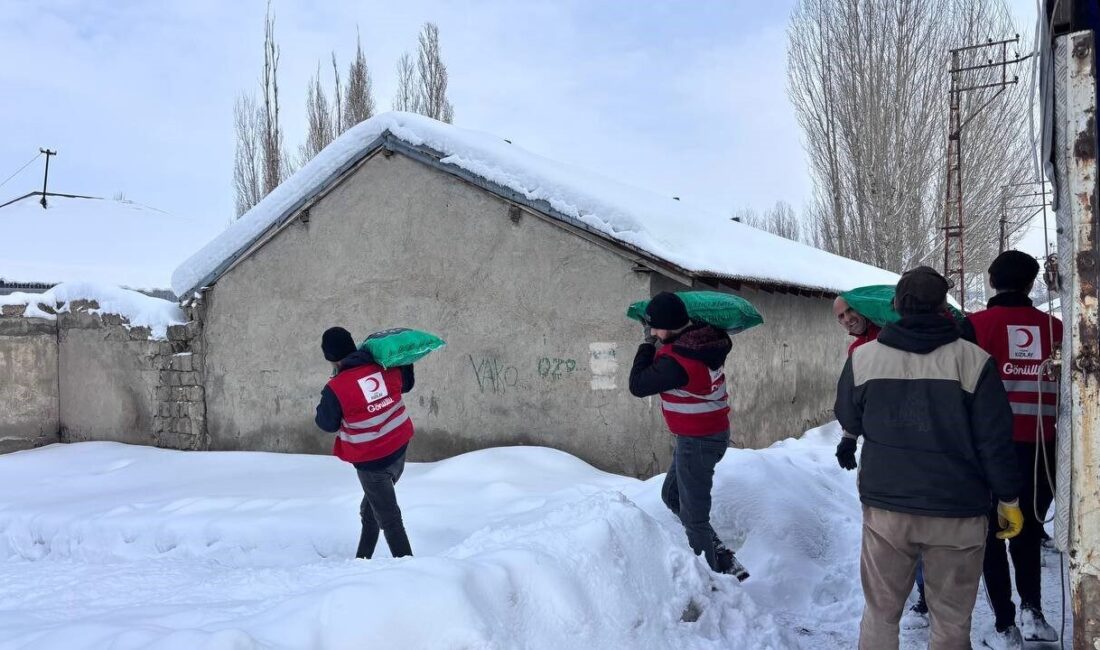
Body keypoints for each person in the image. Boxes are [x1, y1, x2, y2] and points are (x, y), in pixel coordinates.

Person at [834, 266, 1023, 650]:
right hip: (958, 511)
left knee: (880, 614)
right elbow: (995, 441)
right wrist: (1008, 498)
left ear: (895, 306)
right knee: (951, 622)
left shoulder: (863, 359)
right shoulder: (974, 361)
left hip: (888, 509)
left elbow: (849, 418)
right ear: (942, 307)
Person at [968, 251, 1063, 648]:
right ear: (1030, 284)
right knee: (1028, 530)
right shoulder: (1057, 329)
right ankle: (1033, 613)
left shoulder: (973, 326)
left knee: (991, 536)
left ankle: (1005, 628)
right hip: (1041, 450)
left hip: (987, 451)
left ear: (992, 281)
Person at [629, 292, 748, 581]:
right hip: (708, 435)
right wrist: (660, 339)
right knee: (671, 495)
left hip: (698, 442)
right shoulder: (703, 341)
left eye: (655, 327)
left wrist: (646, 344)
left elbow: (638, 384)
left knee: (694, 517)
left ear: (670, 326)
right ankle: (717, 552)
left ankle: (715, 580)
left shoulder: (677, 361)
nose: (653, 332)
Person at [315, 326, 416, 560]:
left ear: (330, 357)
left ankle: (410, 568)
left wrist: (330, 395)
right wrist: (405, 360)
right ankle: (362, 560)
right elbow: (407, 384)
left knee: (389, 519)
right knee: (371, 508)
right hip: (399, 448)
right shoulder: (383, 366)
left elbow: (326, 423)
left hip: (373, 461)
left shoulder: (336, 388)